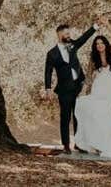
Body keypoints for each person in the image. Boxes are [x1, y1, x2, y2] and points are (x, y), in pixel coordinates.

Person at [73, 16, 111, 158]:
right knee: (93, 114)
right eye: (97, 44)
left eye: (101, 43)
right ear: (95, 46)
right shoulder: (93, 60)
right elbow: (88, 79)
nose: (99, 45)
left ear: (105, 44)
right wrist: (82, 92)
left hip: (109, 92)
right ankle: (97, 144)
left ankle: (105, 144)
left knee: (105, 117)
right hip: (97, 90)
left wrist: (107, 25)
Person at [42, 20, 99, 153]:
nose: (69, 36)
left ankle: (78, 144)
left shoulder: (73, 44)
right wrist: (48, 89)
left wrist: (95, 26)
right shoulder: (52, 53)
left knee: (78, 116)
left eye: (69, 33)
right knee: (65, 117)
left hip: (78, 87)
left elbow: (84, 38)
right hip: (64, 90)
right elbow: (48, 71)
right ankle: (66, 145)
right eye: (66, 34)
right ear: (59, 34)